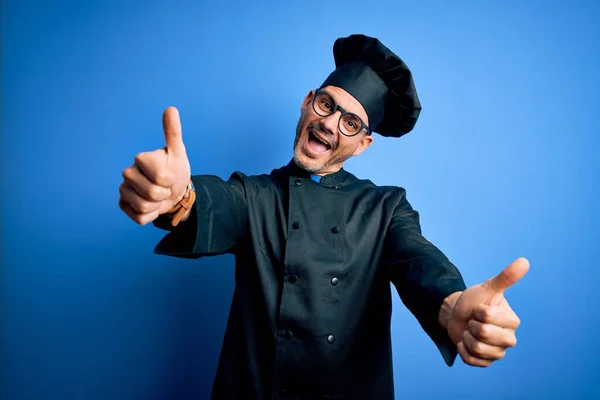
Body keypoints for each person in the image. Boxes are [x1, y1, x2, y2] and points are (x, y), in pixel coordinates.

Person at [118, 34, 528, 400]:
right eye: (326, 104)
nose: (329, 124)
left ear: (364, 144)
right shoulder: (255, 194)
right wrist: (175, 198)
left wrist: (453, 307)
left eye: (350, 122)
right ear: (307, 100)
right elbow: (209, 205)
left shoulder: (385, 208)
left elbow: (419, 263)